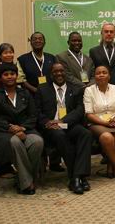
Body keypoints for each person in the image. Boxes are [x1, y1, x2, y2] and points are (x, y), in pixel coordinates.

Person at [0, 63, 44, 195]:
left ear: (17, 76)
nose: (10, 77)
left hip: (25, 129)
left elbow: (33, 115)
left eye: (12, 74)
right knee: (15, 142)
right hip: (1, 132)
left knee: (37, 142)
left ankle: (23, 178)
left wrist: (22, 128)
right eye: (6, 74)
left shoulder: (25, 93)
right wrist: (11, 128)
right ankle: (27, 183)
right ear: (0, 78)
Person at [35, 63, 92, 194]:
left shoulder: (75, 88)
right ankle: (77, 177)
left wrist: (62, 120)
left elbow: (79, 110)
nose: (59, 74)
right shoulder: (42, 89)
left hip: (68, 124)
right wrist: (48, 122)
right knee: (59, 135)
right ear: (51, 74)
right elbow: (37, 112)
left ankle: (76, 176)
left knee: (85, 134)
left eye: (61, 71)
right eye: (55, 71)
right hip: (51, 128)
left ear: (65, 72)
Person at [17, 32, 61, 171]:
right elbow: (21, 79)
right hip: (30, 98)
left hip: (49, 98)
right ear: (30, 41)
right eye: (35, 39)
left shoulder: (51, 58)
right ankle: (41, 163)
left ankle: (55, 162)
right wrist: (36, 90)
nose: (37, 41)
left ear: (44, 41)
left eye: (40, 39)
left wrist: (44, 92)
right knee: (38, 127)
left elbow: (56, 76)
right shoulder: (22, 59)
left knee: (54, 124)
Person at [84, 65, 115, 179]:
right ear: (95, 76)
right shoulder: (89, 90)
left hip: (114, 121)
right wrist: (105, 123)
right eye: (98, 73)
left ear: (109, 76)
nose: (101, 75)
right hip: (97, 123)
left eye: (104, 72)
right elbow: (89, 114)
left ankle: (111, 164)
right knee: (107, 137)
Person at [89, 22, 115, 103]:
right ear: (101, 33)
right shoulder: (94, 51)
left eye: (111, 32)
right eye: (106, 31)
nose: (109, 34)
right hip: (100, 88)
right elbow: (92, 71)